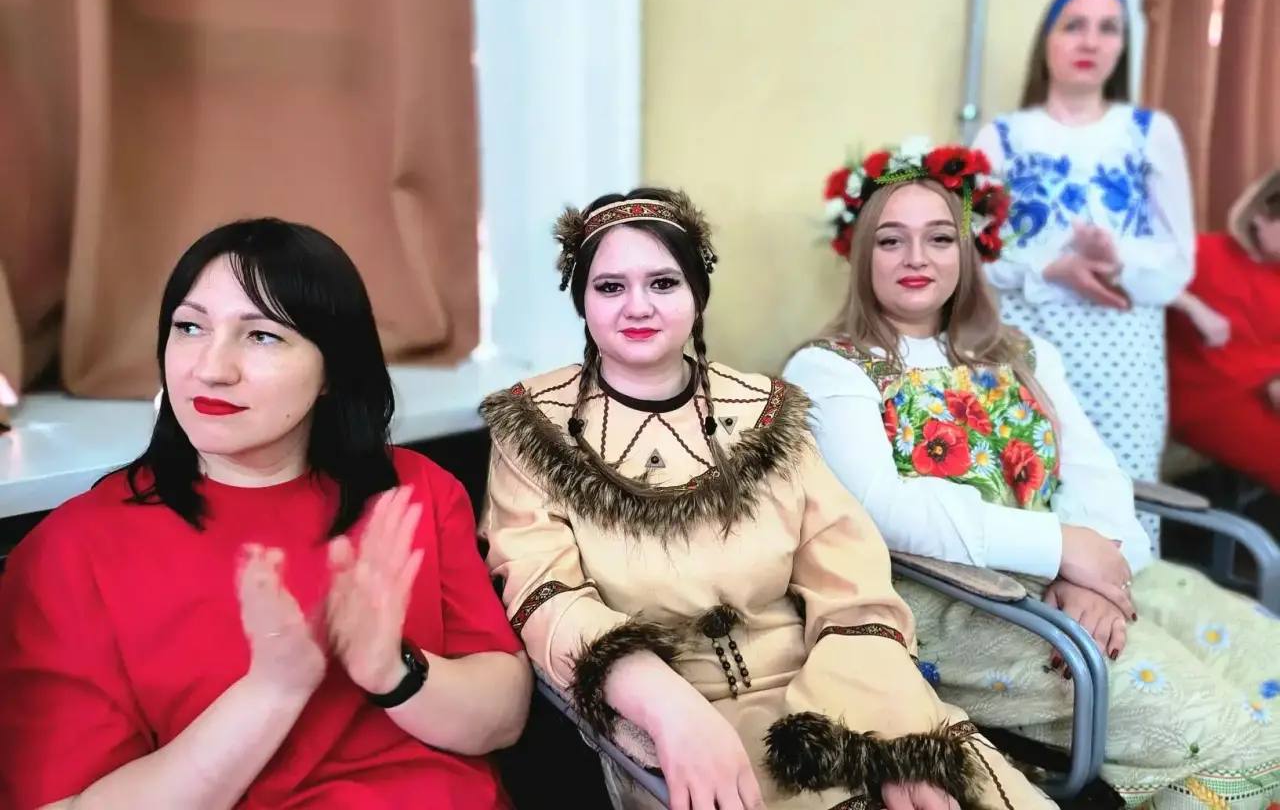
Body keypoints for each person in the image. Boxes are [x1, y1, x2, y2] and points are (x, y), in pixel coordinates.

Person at [479, 187, 1051, 810]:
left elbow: (851, 582)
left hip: (839, 686)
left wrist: (891, 735)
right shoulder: (533, 426)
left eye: (664, 283)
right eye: (610, 286)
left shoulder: (764, 409)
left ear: (697, 294)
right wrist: (663, 704)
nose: (637, 306)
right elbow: (545, 596)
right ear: (582, 299)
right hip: (674, 725)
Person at [786, 146, 1280, 809]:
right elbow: (885, 508)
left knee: (1267, 665)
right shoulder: (830, 368)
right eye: (891, 240)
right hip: (957, 598)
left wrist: (1102, 575)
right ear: (860, 255)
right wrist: (1060, 548)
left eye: (939, 238)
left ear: (966, 251)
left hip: (1083, 578)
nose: (916, 258)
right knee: (1222, 733)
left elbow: (1094, 472)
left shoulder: (1021, 351)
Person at [0, 218, 531, 809]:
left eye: (261, 336)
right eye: (189, 327)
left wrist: (393, 671)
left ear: (333, 370)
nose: (212, 368)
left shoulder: (414, 490)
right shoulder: (71, 551)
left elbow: (504, 716)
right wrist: (273, 690)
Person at [971, 0, 1195, 545]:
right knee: (1029, 485)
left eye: (1108, 28)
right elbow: (973, 249)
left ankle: (1126, 596)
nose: (1090, 40)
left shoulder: (1150, 133)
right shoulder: (1001, 138)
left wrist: (1115, 262)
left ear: (1123, 46)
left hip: (1125, 357)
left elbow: (1178, 258)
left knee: (1124, 497)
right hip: (1027, 343)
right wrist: (1050, 268)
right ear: (1046, 40)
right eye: (1074, 25)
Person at [1168, 170, 1280, 494]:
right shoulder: (1200, 253)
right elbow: (1130, 274)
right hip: (1213, 395)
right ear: (1260, 215)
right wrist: (1192, 306)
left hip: (1268, 392)